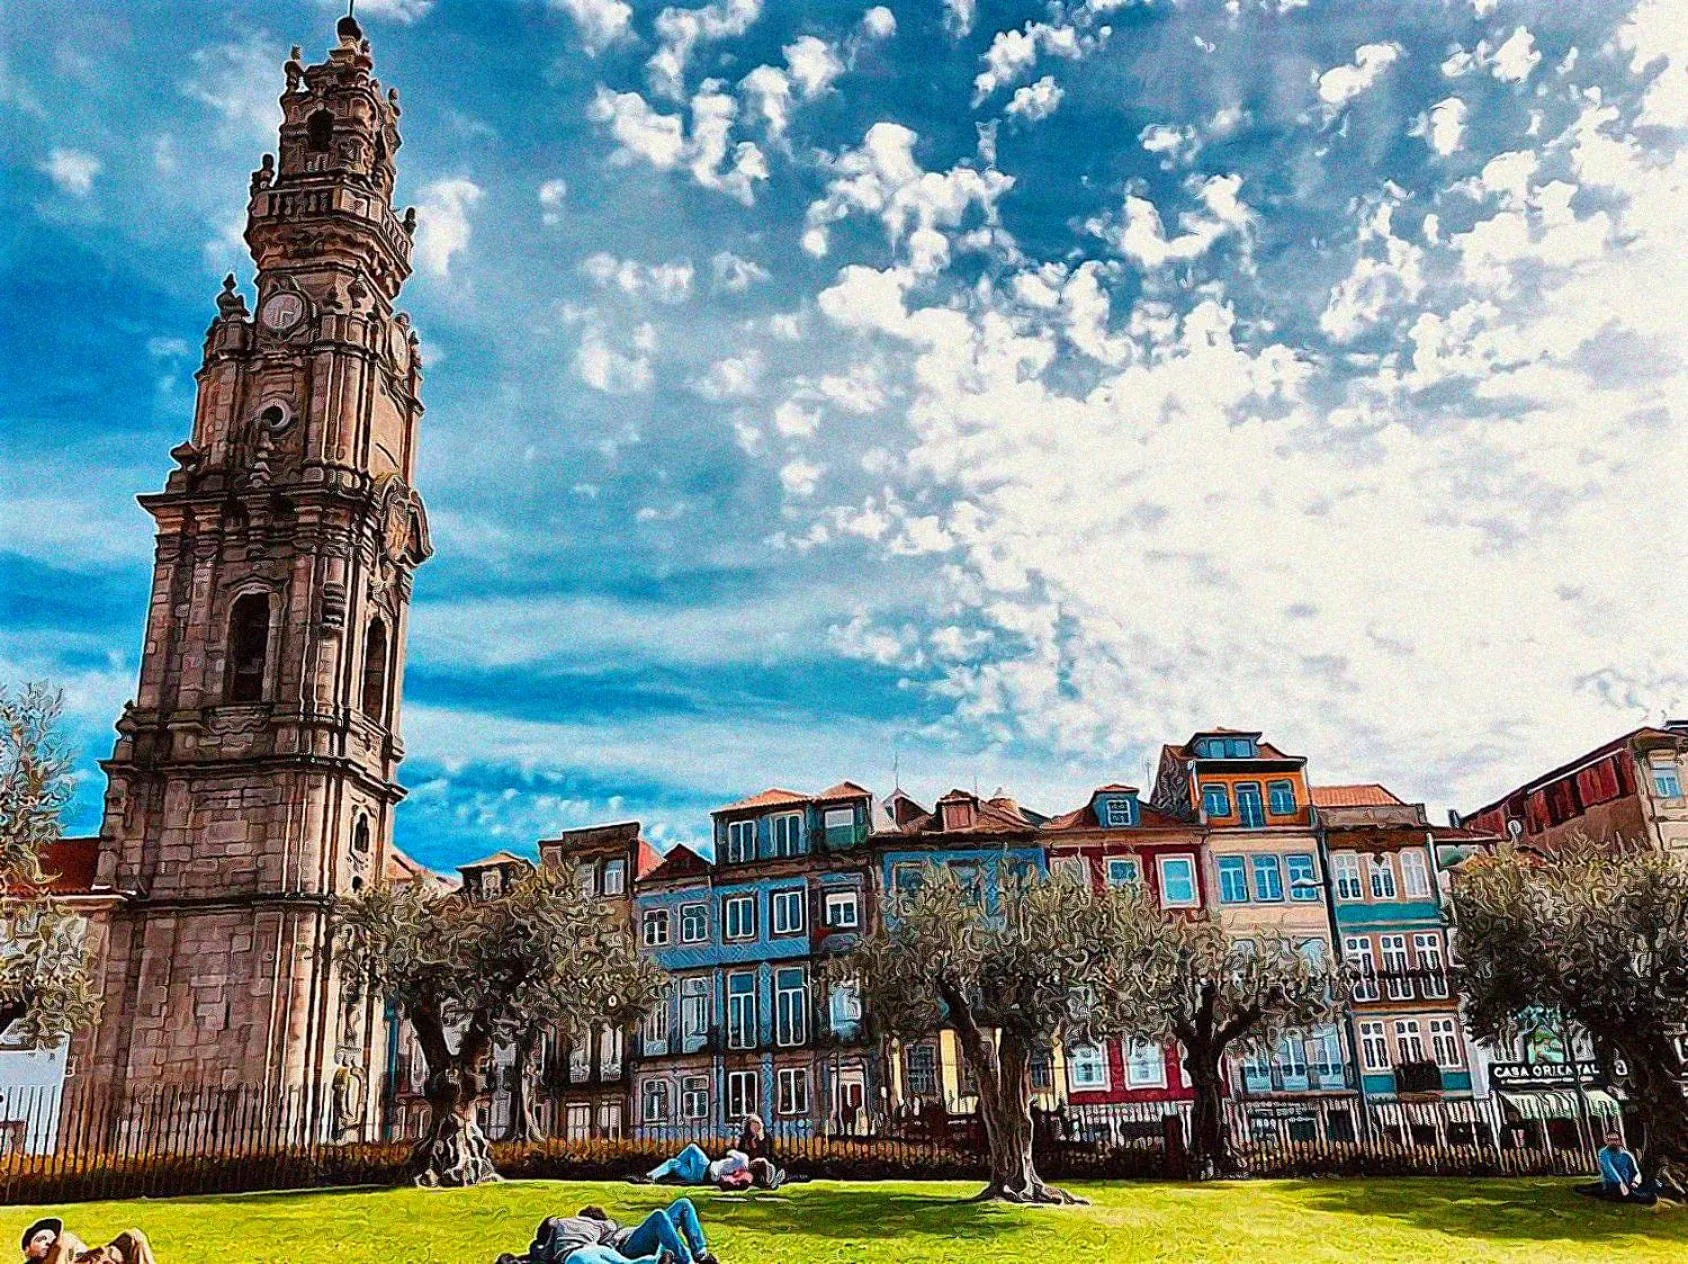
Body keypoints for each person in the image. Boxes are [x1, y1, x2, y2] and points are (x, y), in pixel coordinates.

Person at [506, 1200, 719, 1264]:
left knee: (683, 1205)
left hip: (639, 1238)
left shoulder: (605, 1227)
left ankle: (700, 1254)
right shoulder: (602, 1228)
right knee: (658, 1217)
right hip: (625, 1248)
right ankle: (687, 1262)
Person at [1574, 1132, 1659, 1205]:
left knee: (1650, 1184)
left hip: (1628, 1185)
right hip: (1613, 1185)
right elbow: (1610, 1170)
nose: (1613, 1142)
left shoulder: (1626, 1155)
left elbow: (1635, 1172)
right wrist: (1621, 1183)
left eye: (1615, 1140)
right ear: (1607, 1141)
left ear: (1619, 1141)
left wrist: (1635, 1182)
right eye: (1610, 1140)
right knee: (1642, 1198)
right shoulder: (1604, 1153)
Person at [20, 1219, 156, 1264]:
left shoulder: (68, 1242)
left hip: (100, 1256)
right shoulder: (62, 1246)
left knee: (134, 1236)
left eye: (50, 1238)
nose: (48, 1242)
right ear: (27, 1250)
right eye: (41, 1239)